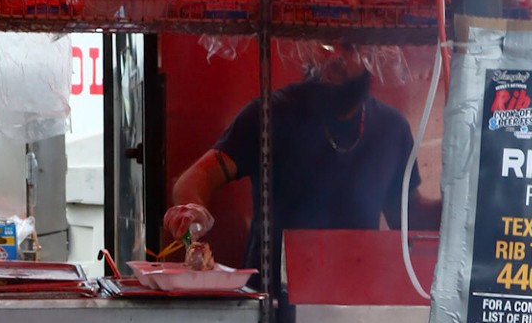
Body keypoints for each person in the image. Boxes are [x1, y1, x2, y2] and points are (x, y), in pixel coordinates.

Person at [164, 41, 436, 273]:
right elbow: (196, 178)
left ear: (369, 57)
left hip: (354, 306)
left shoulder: (391, 129)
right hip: (270, 303)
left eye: (349, 47)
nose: (335, 57)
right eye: (325, 44)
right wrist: (192, 215)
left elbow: (408, 216)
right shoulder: (270, 115)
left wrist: (468, 208)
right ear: (308, 49)